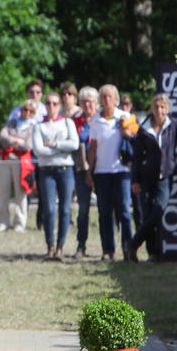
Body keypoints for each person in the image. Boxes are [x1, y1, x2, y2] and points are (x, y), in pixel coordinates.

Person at [86, 84, 134, 261]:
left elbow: (134, 138)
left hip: (121, 171)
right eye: (103, 97)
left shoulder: (124, 117)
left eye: (110, 96)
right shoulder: (96, 120)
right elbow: (93, 147)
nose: (107, 100)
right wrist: (89, 171)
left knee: (124, 212)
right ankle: (108, 250)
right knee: (104, 212)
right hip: (102, 172)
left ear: (116, 99)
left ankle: (129, 249)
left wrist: (126, 131)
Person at [127, 94, 175, 262]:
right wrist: (135, 180)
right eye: (156, 107)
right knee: (146, 214)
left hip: (165, 176)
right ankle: (152, 253)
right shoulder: (144, 128)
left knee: (158, 210)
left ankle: (133, 244)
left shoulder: (173, 126)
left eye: (162, 107)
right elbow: (137, 157)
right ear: (152, 109)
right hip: (146, 177)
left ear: (167, 109)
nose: (159, 110)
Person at [32, 92, 79, 260]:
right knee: (49, 209)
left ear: (59, 106)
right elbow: (39, 150)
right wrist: (60, 149)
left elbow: (74, 144)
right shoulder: (39, 127)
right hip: (46, 171)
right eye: (48, 103)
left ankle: (60, 246)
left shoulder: (68, 123)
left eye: (55, 103)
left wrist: (54, 144)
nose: (51, 106)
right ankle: (50, 245)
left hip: (65, 170)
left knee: (65, 209)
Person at [0, 100, 37, 232]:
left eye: (30, 111)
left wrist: (13, 140)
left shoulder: (33, 127)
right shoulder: (12, 122)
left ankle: (19, 223)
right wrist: (15, 140)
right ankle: (3, 221)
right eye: (25, 109)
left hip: (21, 162)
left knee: (20, 193)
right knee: (3, 192)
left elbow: (28, 145)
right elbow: (2, 136)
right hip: (6, 159)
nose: (27, 113)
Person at [71, 86, 98, 257]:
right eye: (84, 102)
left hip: (101, 168)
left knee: (105, 210)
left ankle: (108, 248)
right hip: (81, 170)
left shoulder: (102, 119)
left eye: (90, 101)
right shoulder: (75, 121)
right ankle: (81, 245)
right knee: (83, 210)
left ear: (96, 102)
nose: (87, 105)